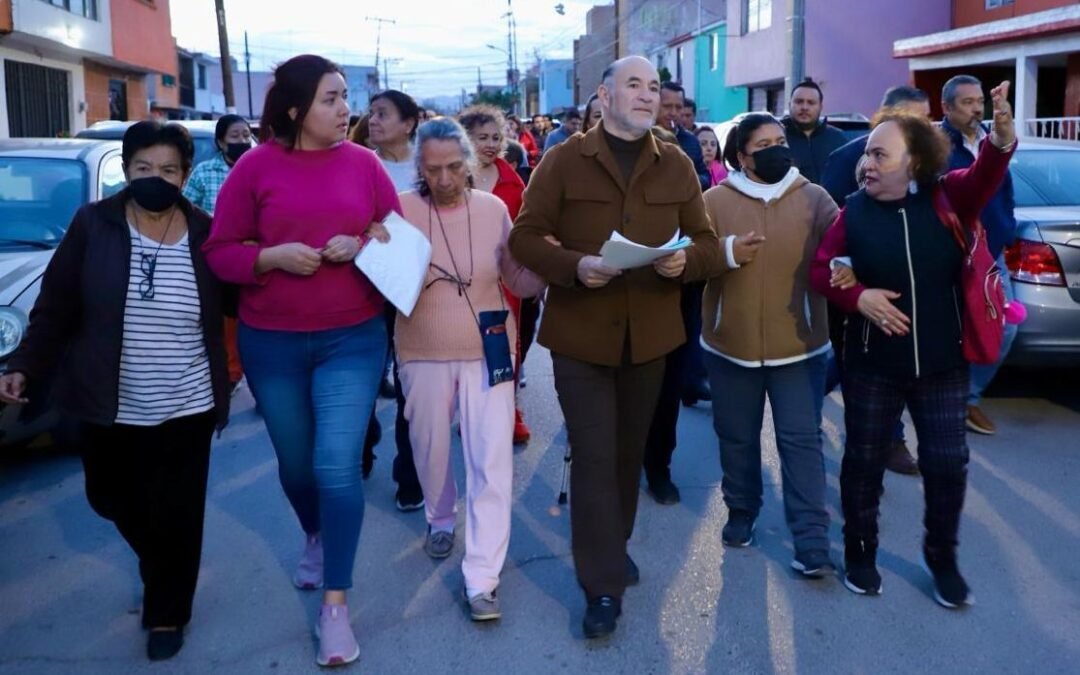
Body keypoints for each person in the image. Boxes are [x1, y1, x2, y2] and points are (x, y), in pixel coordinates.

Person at [0, 121, 232, 661]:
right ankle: (160, 565)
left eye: (168, 170)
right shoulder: (93, 225)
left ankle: (168, 611)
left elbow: (243, 297)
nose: (155, 178)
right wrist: (25, 366)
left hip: (188, 402)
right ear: (126, 171)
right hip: (110, 402)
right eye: (143, 168)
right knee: (108, 497)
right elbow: (55, 306)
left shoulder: (206, 232)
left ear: (185, 175)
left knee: (178, 513)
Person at [509, 56, 722, 639]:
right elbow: (525, 237)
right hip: (580, 336)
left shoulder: (676, 163)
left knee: (628, 455)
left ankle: (611, 543)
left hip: (650, 338)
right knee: (596, 455)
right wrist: (575, 265)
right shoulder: (563, 159)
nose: (648, 94)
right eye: (634, 84)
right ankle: (601, 585)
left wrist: (685, 261)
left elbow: (706, 243)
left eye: (654, 86)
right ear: (604, 96)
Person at [204, 55, 395, 666]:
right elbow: (220, 251)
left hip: (353, 338)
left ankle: (335, 605)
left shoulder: (364, 164)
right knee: (296, 468)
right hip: (273, 342)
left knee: (336, 466)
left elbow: (394, 231)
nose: (346, 110)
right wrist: (271, 257)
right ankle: (314, 533)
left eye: (345, 98)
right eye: (331, 99)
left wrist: (360, 241)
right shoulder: (254, 167)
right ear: (294, 110)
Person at [808, 83, 1016, 608]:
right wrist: (858, 297)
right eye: (866, 155)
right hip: (872, 365)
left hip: (944, 364)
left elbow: (986, 174)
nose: (867, 164)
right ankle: (860, 551)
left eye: (880, 155)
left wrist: (1000, 140)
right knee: (863, 463)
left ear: (915, 162)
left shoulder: (949, 199)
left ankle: (942, 558)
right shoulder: (852, 213)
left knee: (947, 465)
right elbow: (819, 270)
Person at [397, 117, 545, 621]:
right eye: (432, 169)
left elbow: (515, 277)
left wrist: (549, 268)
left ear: (469, 163)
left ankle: (483, 577)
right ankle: (440, 516)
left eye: (453, 167)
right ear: (419, 167)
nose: (443, 179)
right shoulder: (400, 210)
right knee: (431, 448)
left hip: (489, 347)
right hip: (422, 348)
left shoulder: (493, 208)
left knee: (491, 460)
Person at [701, 113, 838, 574]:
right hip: (729, 347)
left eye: (781, 141)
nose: (778, 149)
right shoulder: (714, 201)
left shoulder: (814, 198)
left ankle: (812, 539)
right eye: (764, 145)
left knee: (801, 442)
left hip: (799, 347)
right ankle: (742, 510)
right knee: (737, 437)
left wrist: (847, 265)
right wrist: (726, 252)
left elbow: (844, 245)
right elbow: (690, 259)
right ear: (742, 156)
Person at [820, 85, 932, 477]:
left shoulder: (929, 159)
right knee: (857, 367)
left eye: (926, 118)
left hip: (910, 286)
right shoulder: (846, 158)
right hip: (856, 291)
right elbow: (834, 224)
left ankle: (883, 436)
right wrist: (851, 271)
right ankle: (884, 441)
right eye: (914, 117)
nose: (923, 125)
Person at [940, 75, 1019, 436]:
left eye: (979, 101)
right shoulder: (936, 146)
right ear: (947, 107)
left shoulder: (993, 140)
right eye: (967, 102)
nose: (976, 109)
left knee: (1005, 326)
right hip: (950, 253)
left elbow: (1004, 192)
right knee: (950, 330)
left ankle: (967, 398)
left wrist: (1005, 228)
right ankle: (943, 398)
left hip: (991, 257)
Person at [460, 104, 537, 445]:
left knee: (505, 348)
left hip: (504, 278)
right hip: (461, 280)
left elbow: (523, 229)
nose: (491, 144)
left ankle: (508, 411)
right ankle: (472, 411)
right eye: (482, 137)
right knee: (468, 350)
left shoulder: (512, 179)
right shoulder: (452, 176)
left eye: (496, 137)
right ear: (464, 139)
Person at [363, 88, 426, 511]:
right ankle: (362, 445)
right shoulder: (358, 165)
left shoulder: (428, 165)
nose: (373, 120)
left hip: (416, 290)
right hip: (365, 287)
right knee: (365, 378)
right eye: (371, 113)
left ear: (409, 123)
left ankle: (409, 477)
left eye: (383, 113)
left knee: (410, 386)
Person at [183, 114, 254, 392]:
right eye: (235, 136)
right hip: (218, 257)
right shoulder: (204, 173)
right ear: (221, 142)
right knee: (226, 316)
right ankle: (231, 371)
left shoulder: (259, 167)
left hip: (257, 255)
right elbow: (187, 212)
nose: (242, 141)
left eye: (246, 135)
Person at [782, 78, 848, 185]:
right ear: (790, 105)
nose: (804, 107)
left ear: (820, 107)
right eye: (799, 102)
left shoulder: (838, 140)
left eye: (811, 103)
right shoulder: (776, 138)